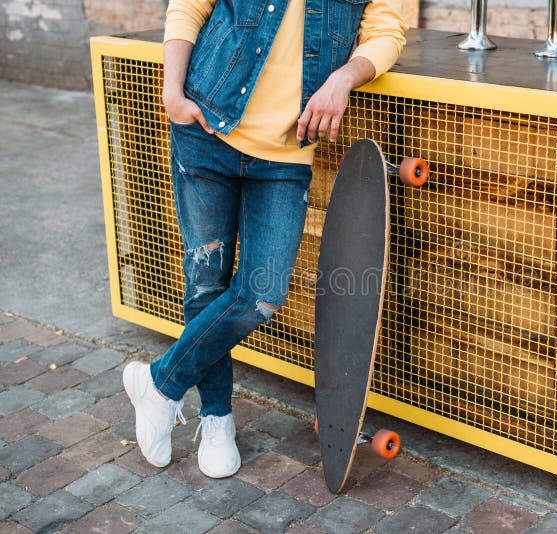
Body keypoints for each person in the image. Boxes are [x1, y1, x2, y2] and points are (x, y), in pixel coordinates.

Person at [123, 0, 407, 478]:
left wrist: (341, 80)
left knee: (262, 293)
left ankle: (159, 384)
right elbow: (189, 6)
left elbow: (387, 31)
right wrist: (172, 92)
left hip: (284, 155)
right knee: (206, 284)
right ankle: (217, 419)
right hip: (206, 125)